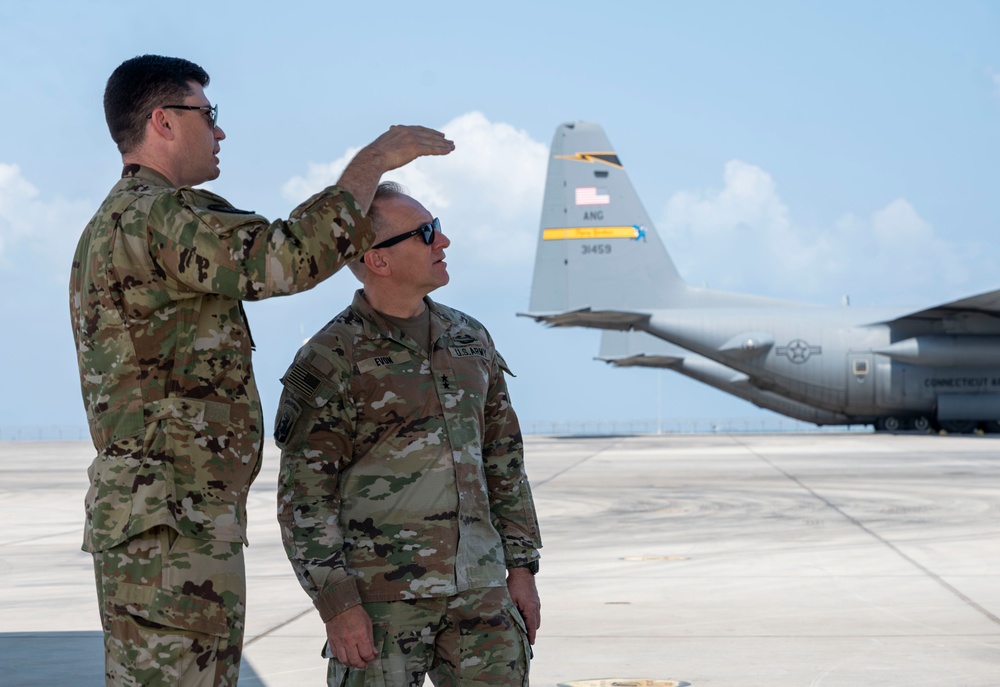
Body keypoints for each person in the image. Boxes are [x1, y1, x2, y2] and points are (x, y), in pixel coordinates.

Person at [69, 54, 453, 687]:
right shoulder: (159, 215)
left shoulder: (118, 223)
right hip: (172, 525)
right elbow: (283, 259)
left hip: (165, 518)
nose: (220, 132)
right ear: (164, 122)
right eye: (208, 115)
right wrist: (370, 165)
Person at [273, 182, 542, 686]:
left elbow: (504, 461)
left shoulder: (470, 340)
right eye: (427, 233)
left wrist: (521, 570)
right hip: (380, 606)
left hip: (481, 595)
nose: (443, 241)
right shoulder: (332, 357)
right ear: (378, 260)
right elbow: (305, 499)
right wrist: (337, 605)